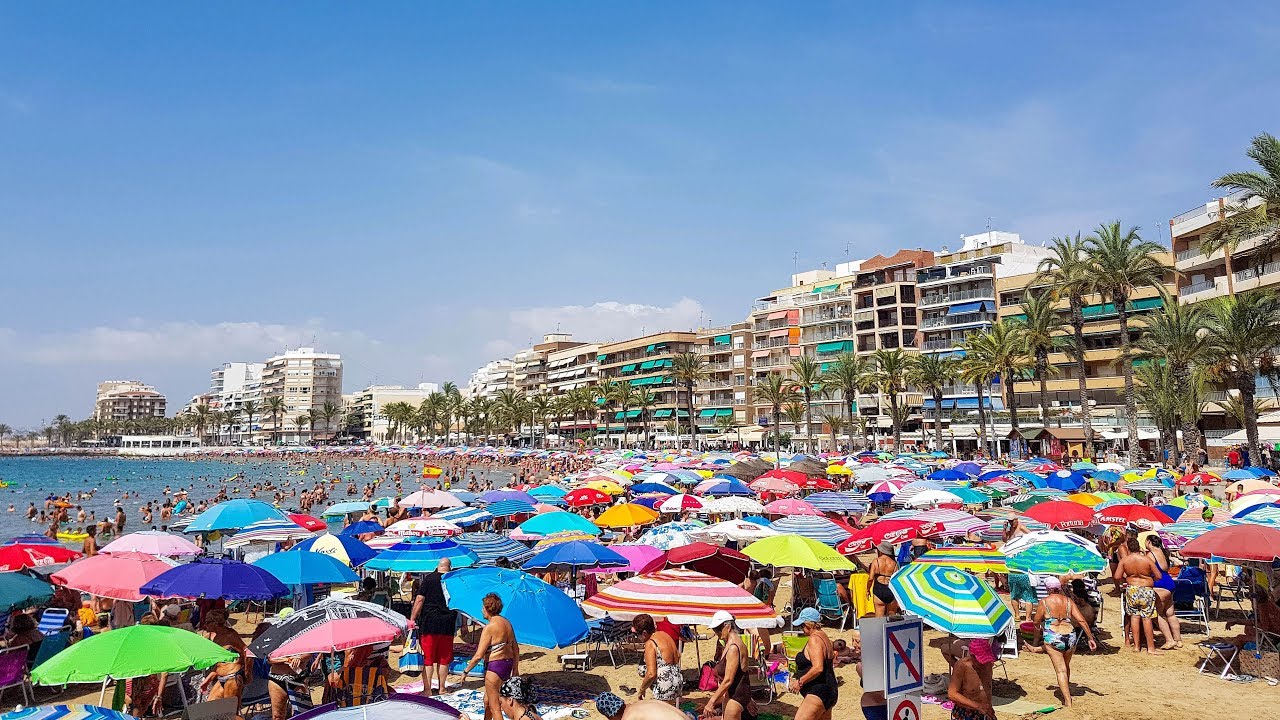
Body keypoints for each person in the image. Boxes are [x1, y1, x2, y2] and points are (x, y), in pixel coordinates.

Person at [1033, 577, 1096, 707]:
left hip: (1053, 636)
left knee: (1060, 670)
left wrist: (1039, 631)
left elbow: (1036, 621)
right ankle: (1066, 689)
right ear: (1059, 588)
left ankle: (1068, 700)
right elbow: (1082, 620)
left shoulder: (1044, 602)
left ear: (1047, 589)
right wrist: (1090, 638)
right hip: (1070, 636)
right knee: (1066, 666)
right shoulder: (1068, 601)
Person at [456, 593, 519, 720]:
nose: (481, 610)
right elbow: (516, 648)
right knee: (487, 700)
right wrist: (515, 668)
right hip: (507, 664)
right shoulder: (507, 623)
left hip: (494, 666)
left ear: (487, 608)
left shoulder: (489, 628)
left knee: (495, 708)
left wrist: (465, 671)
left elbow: (479, 655)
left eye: (483, 607)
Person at [409, 558, 457, 697]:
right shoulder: (452, 580)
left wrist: (412, 618)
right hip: (448, 623)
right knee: (444, 658)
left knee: (428, 658)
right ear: (450, 567)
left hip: (429, 623)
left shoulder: (429, 579)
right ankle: (442, 688)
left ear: (438, 566)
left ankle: (428, 689)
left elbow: (419, 600)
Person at [1113, 537, 1163, 654]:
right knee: (1147, 618)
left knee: (1134, 617)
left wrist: (1129, 577)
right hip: (1146, 589)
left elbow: (1117, 576)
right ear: (1139, 547)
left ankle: (1136, 646)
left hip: (1132, 589)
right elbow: (1159, 576)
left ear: (1128, 548)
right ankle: (1151, 648)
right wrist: (1149, 578)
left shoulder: (1125, 561)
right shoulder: (1146, 559)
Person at [702, 611, 754, 720]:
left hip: (736, 697)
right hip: (733, 695)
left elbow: (728, 680)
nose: (716, 632)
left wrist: (712, 702)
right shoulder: (729, 644)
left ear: (728, 626)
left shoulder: (733, 648)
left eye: (718, 629)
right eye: (714, 630)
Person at [788, 608, 836, 720]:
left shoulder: (814, 640)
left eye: (802, 626)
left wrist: (800, 682)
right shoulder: (824, 636)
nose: (802, 629)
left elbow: (818, 668)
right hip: (829, 689)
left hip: (818, 692)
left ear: (808, 624)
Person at [632, 613, 683, 705]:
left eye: (637, 635)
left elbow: (651, 673)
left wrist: (642, 689)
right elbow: (678, 656)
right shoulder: (665, 635)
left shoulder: (650, 643)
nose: (637, 638)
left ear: (644, 633)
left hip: (665, 685)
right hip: (677, 679)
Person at [1145, 534, 1182, 650]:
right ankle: (1178, 640)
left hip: (1159, 585)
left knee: (1156, 614)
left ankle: (1169, 640)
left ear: (1149, 542)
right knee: (1170, 614)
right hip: (1169, 582)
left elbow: (1148, 569)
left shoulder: (1151, 554)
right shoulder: (1164, 552)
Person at [947, 638, 997, 720]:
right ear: (972, 656)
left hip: (986, 710)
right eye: (980, 661)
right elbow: (952, 694)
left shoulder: (988, 664)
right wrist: (977, 706)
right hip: (967, 711)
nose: (983, 664)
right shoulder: (962, 666)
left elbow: (986, 689)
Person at [868, 542, 898, 616]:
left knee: (879, 619)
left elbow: (871, 579)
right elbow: (896, 579)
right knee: (892, 617)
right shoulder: (894, 563)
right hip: (891, 590)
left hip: (879, 589)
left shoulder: (876, 561)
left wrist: (867, 589)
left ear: (881, 550)